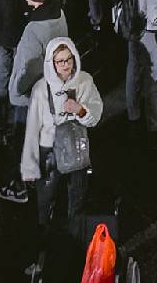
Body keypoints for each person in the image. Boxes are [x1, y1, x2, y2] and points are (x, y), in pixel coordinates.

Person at [18, 34, 101, 244]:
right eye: (60, 61)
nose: (65, 65)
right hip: (50, 153)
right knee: (45, 199)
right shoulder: (40, 90)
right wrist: (29, 166)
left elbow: (96, 116)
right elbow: (32, 129)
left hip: (75, 150)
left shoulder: (85, 81)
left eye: (69, 59)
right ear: (51, 63)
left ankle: (74, 240)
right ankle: (44, 240)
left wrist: (81, 111)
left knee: (77, 198)